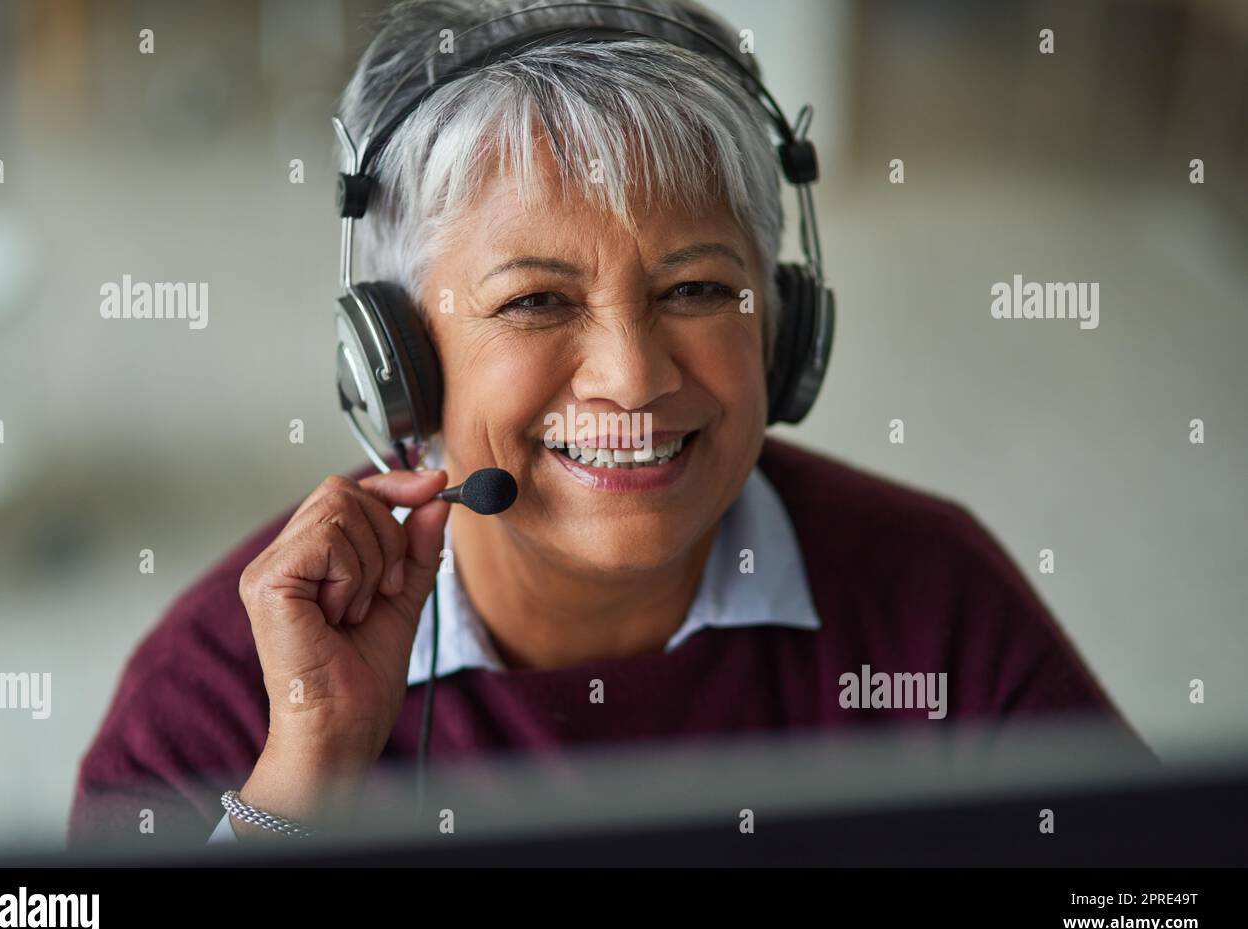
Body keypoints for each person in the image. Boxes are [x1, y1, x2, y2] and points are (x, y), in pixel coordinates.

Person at [68, 0, 1144, 849]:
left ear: (781, 322)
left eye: (693, 289)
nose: (631, 379)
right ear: (393, 359)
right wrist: (300, 782)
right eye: (535, 300)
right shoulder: (226, 683)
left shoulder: (933, 602)